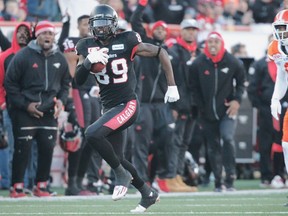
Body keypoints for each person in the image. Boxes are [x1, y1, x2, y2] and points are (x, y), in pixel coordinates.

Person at [75, 4, 179, 213]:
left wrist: (172, 85)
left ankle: (121, 175)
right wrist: (87, 63)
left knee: (92, 133)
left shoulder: (127, 40)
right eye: (98, 24)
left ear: (114, 25)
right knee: (118, 157)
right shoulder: (85, 45)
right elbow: (77, 81)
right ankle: (147, 192)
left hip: (128, 104)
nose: (102, 28)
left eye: (105, 24)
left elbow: (161, 53)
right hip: (109, 107)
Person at [5, 20, 71, 198]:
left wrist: (61, 101)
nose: (47, 36)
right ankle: (16, 187)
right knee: (22, 149)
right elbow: (9, 83)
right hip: (25, 111)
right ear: (37, 35)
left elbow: (66, 84)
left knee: (47, 148)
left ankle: (41, 186)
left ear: (54, 36)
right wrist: (26, 105)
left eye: (50, 33)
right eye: (44, 33)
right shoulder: (23, 56)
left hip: (49, 112)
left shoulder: (60, 58)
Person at [129, 0, 182, 192]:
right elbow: (135, 21)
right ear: (152, 31)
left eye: (163, 29)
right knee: (141, 144)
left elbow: (179, 81)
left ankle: (161, 176)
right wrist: (142, 4)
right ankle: (142, 182)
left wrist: (175, 106)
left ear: (167, 33)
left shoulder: (171, 53)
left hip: (162, 105)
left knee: (167, 138)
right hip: (144, 104)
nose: (160, 31)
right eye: (157, 28)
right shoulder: (146, 46)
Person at [189, 31, 245, 192]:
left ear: (222, 44)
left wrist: (237, 100)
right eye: (210, 42)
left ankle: (230, 178)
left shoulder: (233, 62)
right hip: (207, 113)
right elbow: (193, 88)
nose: (213, 45)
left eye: (216, 42)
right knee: (212, 146)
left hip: (227, 110)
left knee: (227, 139)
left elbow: (241, 83)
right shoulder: (198, 63)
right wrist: (200, 109)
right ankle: (218, 182)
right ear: (206, 44)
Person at [248, 34, 287, 188]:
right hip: (266, 109)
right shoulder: (260, 64)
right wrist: (261, 106)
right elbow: (252, 88)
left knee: (282, 142)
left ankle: (280, 173)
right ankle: (266, 175)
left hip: (285, 107)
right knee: (265, 143)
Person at [167, 18, 201, 191]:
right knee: (176, 141)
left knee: (184, 143)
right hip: (179, 104)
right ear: (181, 31)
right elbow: (170, 79)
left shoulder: (198, 51)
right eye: (188, 29)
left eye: (194, 29)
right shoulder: (174, 51)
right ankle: (171, 177)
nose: (191, 32)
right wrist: (173, 105)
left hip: (193, 105)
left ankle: (178, 176)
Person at [0, 22, 32, 191]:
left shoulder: (39, 55)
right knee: (15, 147)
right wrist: (3, 103)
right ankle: (18, 184)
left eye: (25, 31)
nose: (22, 35)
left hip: (35, 108)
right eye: (19, 31)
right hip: (12, 109)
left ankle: (34, 184)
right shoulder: (5, 56)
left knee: (33, 148)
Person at [269, 9, 288, 196]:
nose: (281, 32)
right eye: (279, 28)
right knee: (286, 144)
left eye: (285, 27)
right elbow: (282, 77)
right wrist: (276, 98)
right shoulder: (275, 48)